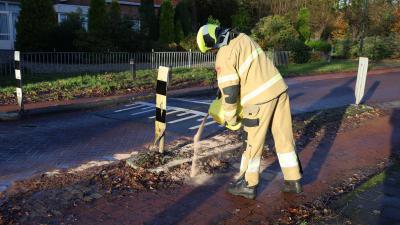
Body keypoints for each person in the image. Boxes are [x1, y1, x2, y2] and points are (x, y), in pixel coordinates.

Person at [196, 24, 303, 199]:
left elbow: (230, 94)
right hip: (279, 90)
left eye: (210, 50)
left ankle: (248, 184)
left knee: (252, 143)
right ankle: (293, 180)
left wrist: (230, 119)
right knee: (284, 137)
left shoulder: (223, 54)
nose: (213, 52)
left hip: (258, 100)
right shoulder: (243, 38)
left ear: (211, 43)